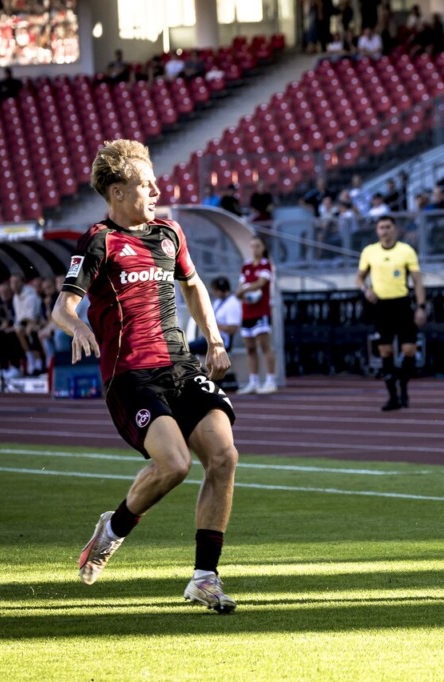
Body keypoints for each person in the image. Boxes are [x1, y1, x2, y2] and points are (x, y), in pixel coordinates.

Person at [50, 139, 239, 613]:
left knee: (224, 457)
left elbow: (193, 285)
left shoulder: (169, 233)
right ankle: (112, 530)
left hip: (180, 365)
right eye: (145, 184)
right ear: (117, 192)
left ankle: (205, 578)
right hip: (130, 374)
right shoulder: (99, 240)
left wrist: (214, 340)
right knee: (174, 465)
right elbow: (62, 306)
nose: (156, 191)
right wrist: (77, 326)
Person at [355, 216, 427, 411]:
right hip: (381, 306)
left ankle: (403, 384)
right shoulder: (370, 252)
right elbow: (359, 278)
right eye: (381, 227)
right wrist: (366, 290)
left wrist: (421, 306)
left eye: (388, 227)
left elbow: (417, 281)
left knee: (409, 349)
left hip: (401, 304)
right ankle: (392, 396)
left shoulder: (406, 251)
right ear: (377, 231)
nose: (384, 231)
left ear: (395, 229)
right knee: (386, 351)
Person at [236, 236, 279, 395]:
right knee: (250, 348)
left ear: (263, 248)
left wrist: (244, 290)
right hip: (247, 312)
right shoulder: (246, 266)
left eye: (258, 246)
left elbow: (261, 283)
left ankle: (270, 380)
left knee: (265, 346)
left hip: (261, 312)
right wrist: (241, 291)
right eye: (252, 246)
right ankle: (253, 381)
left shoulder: (266, 264)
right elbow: (239, 288)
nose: (255, 249)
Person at [189, 276, 242, 358]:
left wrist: (213, 325)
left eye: (215, 290)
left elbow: (233, 328)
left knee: (188, 348)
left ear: (221, 290)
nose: (214, 293)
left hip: (221, 340)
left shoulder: (233, 303)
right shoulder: (218, 301)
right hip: (211, 337)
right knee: (186, 347)